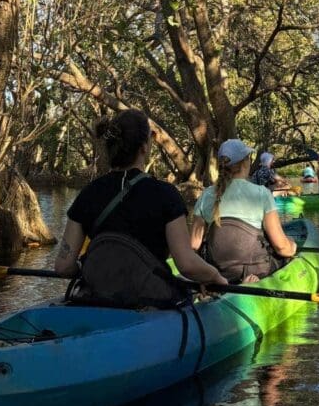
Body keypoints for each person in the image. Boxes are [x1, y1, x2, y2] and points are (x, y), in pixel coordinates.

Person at [54, 109, 227, 306]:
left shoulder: (88, 194)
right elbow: (187, 264)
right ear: (144, 147)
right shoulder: (165, 194)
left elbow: (63, 266)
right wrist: (215, 276)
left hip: (96, 298)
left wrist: (89, 270)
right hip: (149, 299)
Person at [190, 139, 297, 283]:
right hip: (255, 270)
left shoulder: (206, 194)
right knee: (288, 251)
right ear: (245, 162)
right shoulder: (261, 193)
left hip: (218, 272)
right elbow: (281, 247)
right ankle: (248, 283)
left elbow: (193, 245)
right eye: (249, 158)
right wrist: (292, 245)